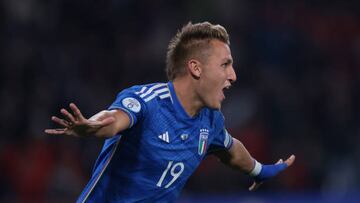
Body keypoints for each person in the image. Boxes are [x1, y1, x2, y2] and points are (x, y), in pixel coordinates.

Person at [45, 22, 295, 203]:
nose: (233, 75)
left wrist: (260, 171)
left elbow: (231, 150)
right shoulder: (148, 102)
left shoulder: (211, 121)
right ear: (196, 68)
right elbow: (114, 120)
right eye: (225, 65)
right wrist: (90, 126)